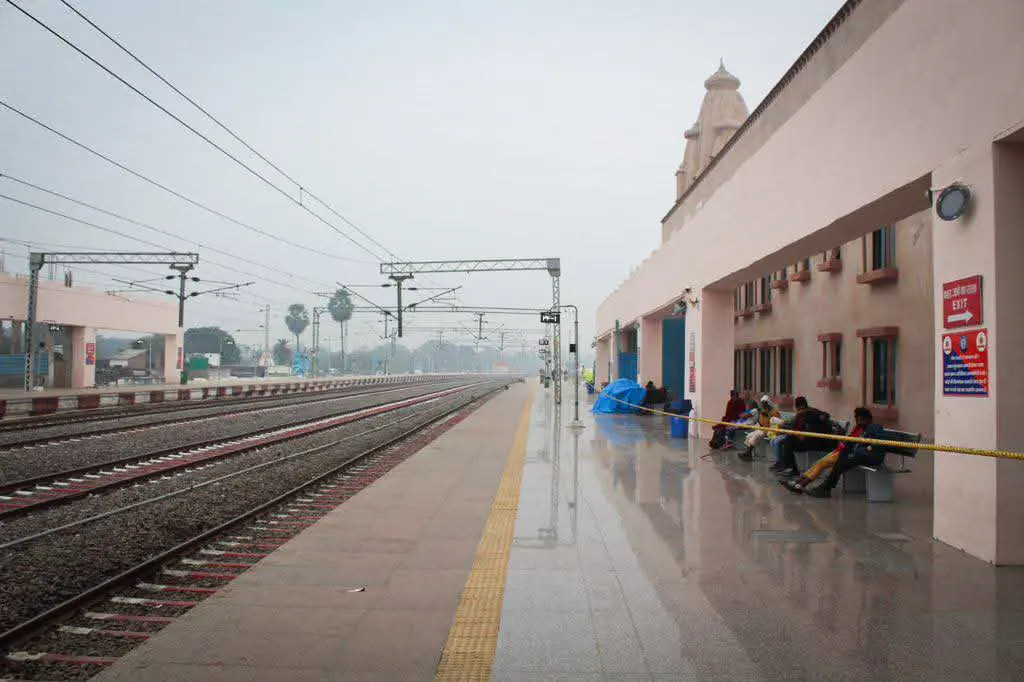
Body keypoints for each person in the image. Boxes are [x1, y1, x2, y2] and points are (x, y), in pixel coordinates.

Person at [781, 407, 885, 497]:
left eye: (861, 419)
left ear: (868, 419)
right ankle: (797, 482)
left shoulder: (872, 428)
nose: (858, 421)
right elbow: (850, 439)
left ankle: (801, 485)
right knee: (818, 463)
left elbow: (863, 443)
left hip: (847, 453)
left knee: (821, 464)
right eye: (857, 419)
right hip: (840, 450)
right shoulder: (858, 427)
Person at [769, 396, 834, 475]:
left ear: (802, 406)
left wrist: (799, 434)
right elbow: (796, 428)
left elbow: (823, 417)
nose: (797, 410)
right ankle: (786, 465)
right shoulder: (803, 414)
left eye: (797, 408)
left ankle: (791, 468)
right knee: (787, 440)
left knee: (788, 441)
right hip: (811, 440)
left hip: (818, 443)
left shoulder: (811, 413)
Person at [739, 395, 780, 461]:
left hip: (769, 430)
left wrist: (767, 416)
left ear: (768, 403)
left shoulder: (774, 412)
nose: (763, 405)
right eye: (762, 403)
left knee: (756, 436)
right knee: (749, 436)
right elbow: (761, 422)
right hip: (762, 428)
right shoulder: (762, 411)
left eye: (765, 403)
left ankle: (748, 454)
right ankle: (748, 454)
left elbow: (775, 423)